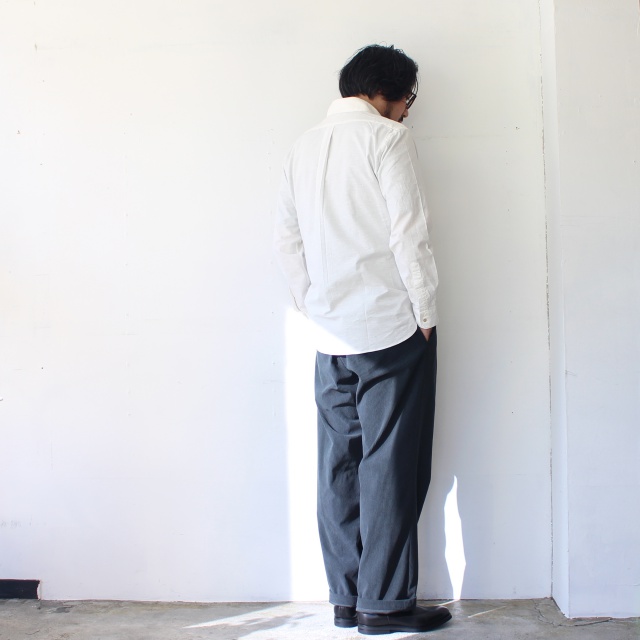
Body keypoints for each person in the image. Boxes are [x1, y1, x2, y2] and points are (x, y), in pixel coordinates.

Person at [274, 44, 451, 635]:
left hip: (330, 336)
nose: (408, 110)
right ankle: (385, 604)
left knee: (339, 466)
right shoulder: (388, 139)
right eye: (408, 99)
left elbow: (287, 241)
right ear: (387, 93)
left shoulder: (302, 146)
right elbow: (408, 233)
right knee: (391, 466)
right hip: (390, 329)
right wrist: (425, 312)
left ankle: (346, 600)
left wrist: (312, 306)